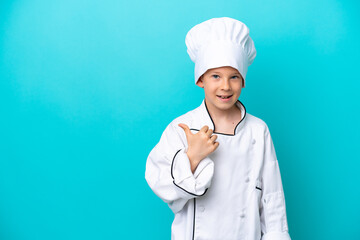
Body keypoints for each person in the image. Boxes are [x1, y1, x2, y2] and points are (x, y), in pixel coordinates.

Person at [145, 17, 291, 240]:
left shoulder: (258, 130)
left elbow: (272, 198)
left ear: (243, 81)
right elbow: (159, 182)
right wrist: (192, 157)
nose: (225, 86)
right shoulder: (182, 127)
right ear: (200, 80)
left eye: (234, 77)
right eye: (215, 76)